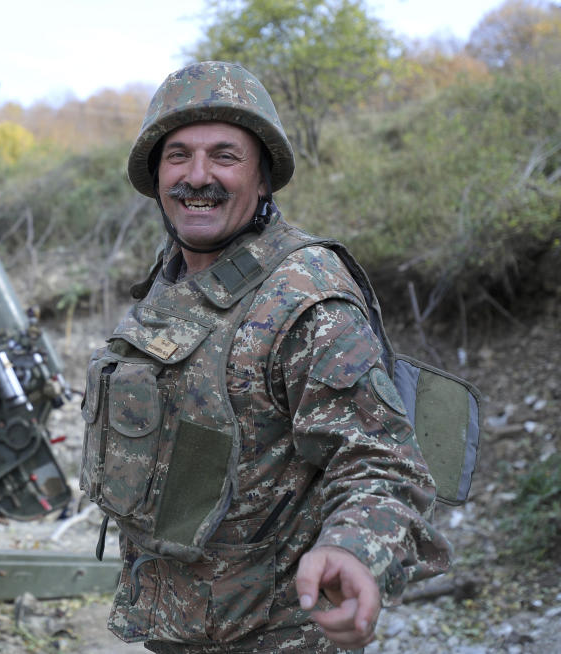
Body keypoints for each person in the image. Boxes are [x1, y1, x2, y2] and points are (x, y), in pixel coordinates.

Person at [79, 61, 452, 653]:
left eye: (224, 156)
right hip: (183, 629)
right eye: (178, 156)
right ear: (155, 175)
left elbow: (382, 465)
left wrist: (352, 550)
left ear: (262, 178)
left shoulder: (302, 295)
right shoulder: (174, 278)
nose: (196, 176)